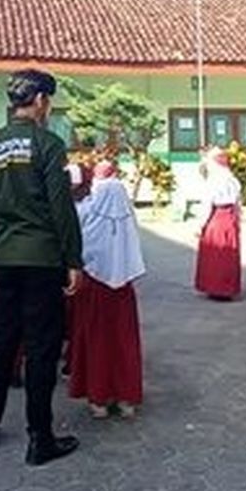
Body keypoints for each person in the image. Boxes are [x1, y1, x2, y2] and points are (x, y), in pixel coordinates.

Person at [0, 69, 82, 467]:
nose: (47, 107)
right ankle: (40, 437)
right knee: (41, 348)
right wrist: (73, 259)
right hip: (41, 260)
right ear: (39, 100)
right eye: (48, 100)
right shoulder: (49, 145)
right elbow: (61, 208)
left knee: (2, 342)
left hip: (3, 258)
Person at [68, 171, 145, 419]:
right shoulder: (128, 223)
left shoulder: (87, 219)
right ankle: (126, 398)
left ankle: (98, 397)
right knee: (123, 342)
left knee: (96, 342)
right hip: (122, 292)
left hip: (93, 290)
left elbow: (80, 252)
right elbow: (132, 257)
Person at [193, 148, 243, 300]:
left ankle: (216, 288)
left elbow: (207, 205)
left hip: (217, 217)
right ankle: (228, 287)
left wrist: (200, 225)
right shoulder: (232, 179)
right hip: (230, 217)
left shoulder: (214, 180)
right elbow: (238, 202)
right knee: (229, 253)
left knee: (216, 254)